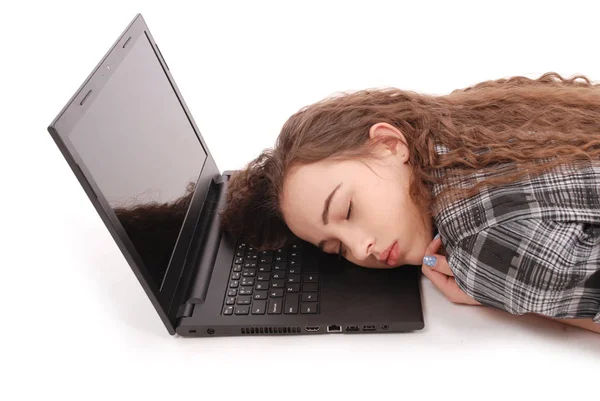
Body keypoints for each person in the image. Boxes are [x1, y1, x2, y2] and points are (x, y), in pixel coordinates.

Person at [220, 72, 600, 334]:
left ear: (389, 144)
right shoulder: (480, 123)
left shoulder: (477, 240)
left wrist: (503, 293)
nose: (359, 248)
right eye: (336, 249)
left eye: (347, 210)